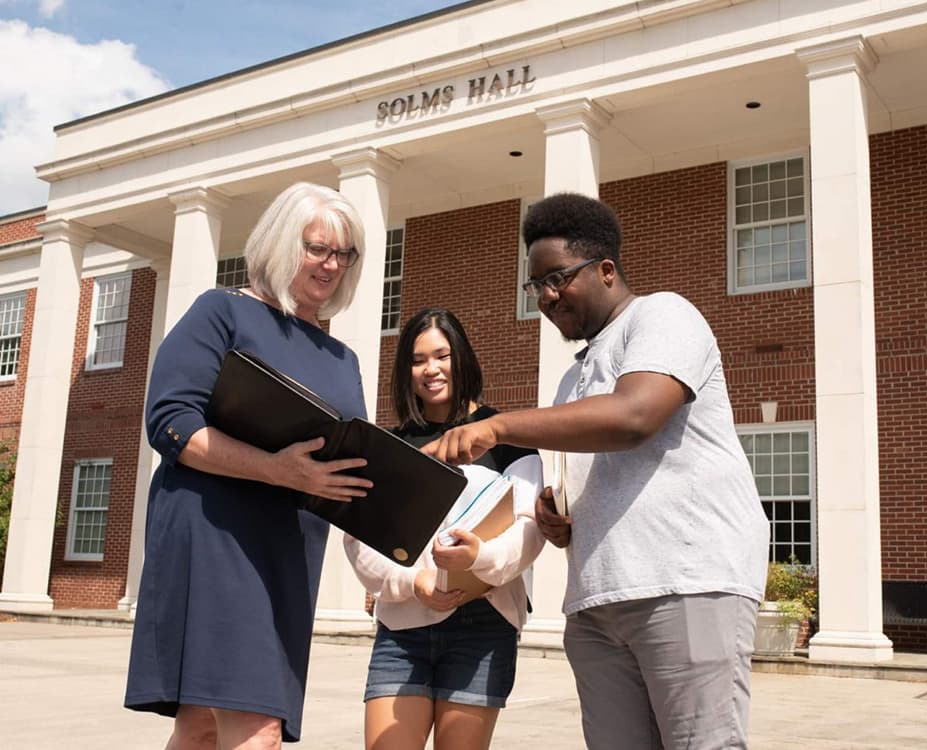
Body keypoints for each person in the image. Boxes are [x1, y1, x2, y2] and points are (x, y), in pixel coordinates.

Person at [424, 192, 771, 750]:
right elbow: (593, 475)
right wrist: (561, 518)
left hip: (684, 583)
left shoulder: (663, 314)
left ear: (606, 270)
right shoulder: (571, 381)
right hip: (597, 602)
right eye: (536, 285)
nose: (547, 296)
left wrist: (498, 426)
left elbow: (636, 416)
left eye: (557, 277)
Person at [124, 182, 374, 749]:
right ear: (283, 243)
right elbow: (171, 422)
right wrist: (277, 469)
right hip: (215, 536)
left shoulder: (343, 357)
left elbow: (352, 461)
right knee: (256, 728)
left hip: (287, 552)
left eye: (344, 254)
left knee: (204, 725)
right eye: (318, 248)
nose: (331, 264)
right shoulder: (223, 312)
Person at [344, 308, 545, 750]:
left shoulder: (506, 439)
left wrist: (479, 559)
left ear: (462, 359)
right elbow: (359, 539)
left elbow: (530, 532)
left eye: (442, 355)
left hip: (483, 625)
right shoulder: (389, 447)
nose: (430, 369)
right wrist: (411, 581)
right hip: (402, 629)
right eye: (418, 360)